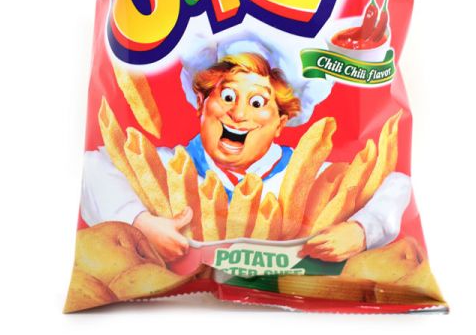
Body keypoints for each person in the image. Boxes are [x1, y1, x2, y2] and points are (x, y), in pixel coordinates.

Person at [81, 31, 411, 263]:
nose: (238, 114)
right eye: (227, 96)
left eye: (257, 102)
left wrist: (363, 230)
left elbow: (396, 184)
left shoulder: (307, 180)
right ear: (201, 102)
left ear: (281, 122)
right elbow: (93, 168)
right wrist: (139, 223)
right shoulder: (168, 169)